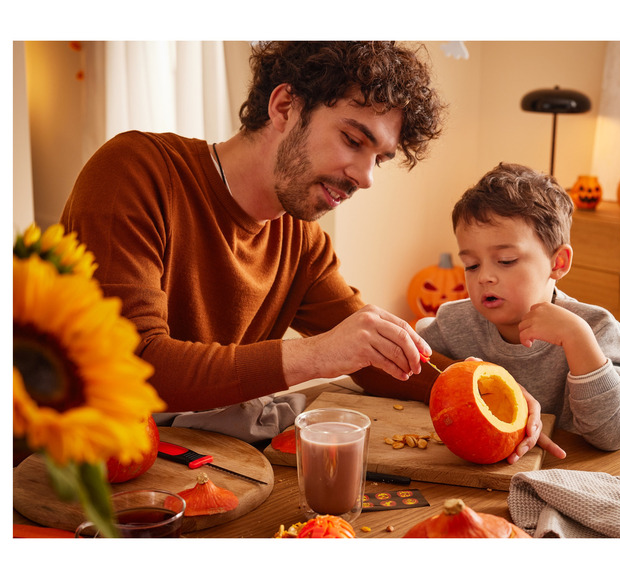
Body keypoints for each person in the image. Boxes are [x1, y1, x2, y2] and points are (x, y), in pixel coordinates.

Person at [60, 41, 448, 413]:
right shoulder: (134, 172)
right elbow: (134, 367)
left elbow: (373, 354)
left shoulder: (302, 242)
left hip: (198, 462)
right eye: (352, 139)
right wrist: (319, 354)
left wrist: (494, 389)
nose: (366, 178)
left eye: (378, 159)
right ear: (283, 107)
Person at [365, 162, 620, 459]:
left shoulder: (598, 330)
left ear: (558, 263)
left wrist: (578, 339)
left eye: (507, 260)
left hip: (593, 477)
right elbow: (397, 370)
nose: (484, 276)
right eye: (471, 265)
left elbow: (616, 435)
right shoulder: (453, 324)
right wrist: (452, 373)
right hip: (496, 478)